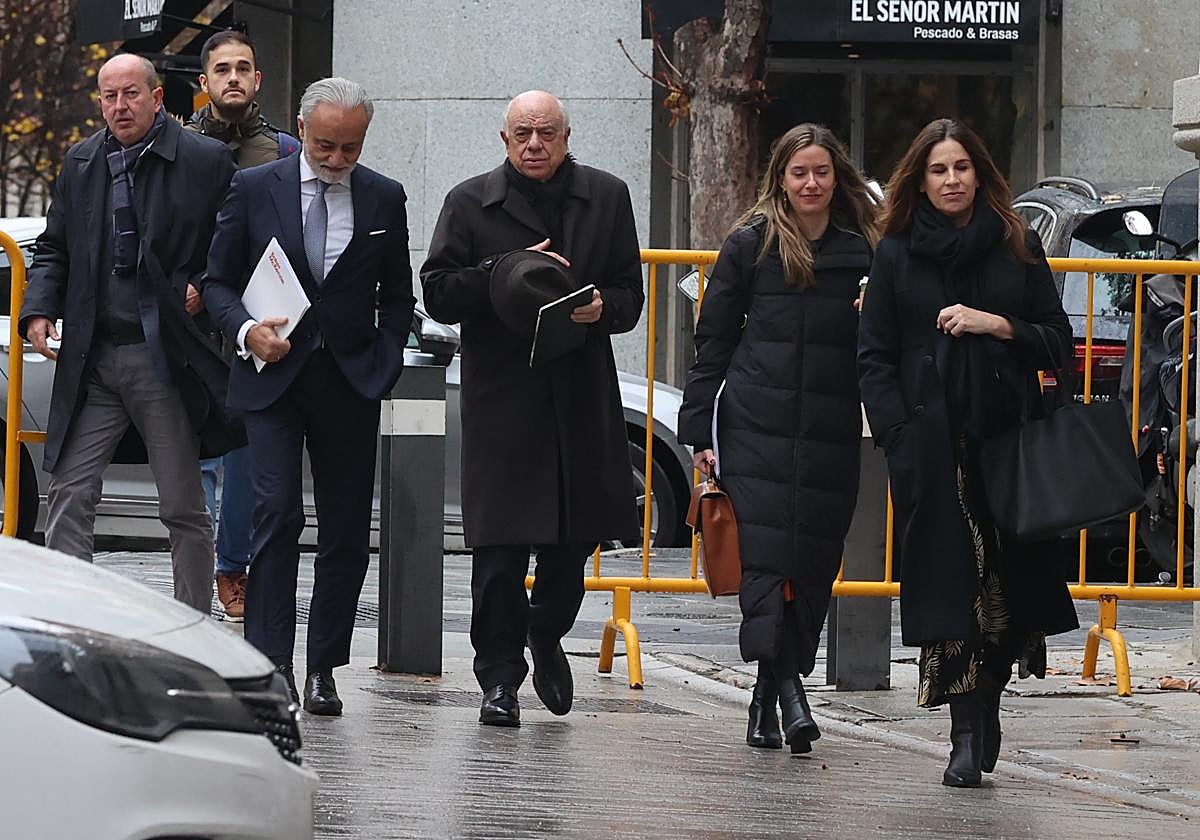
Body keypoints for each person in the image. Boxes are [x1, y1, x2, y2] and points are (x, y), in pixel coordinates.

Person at [857, 118, 1079, 788]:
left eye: (961, 168)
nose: (952, 181)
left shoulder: (1017, 244)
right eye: (938, 170)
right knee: (952, 590)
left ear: (979, 172)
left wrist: (996, 324)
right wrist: (898, 438)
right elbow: (874, 360)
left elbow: (1058, 340)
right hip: (931, 447)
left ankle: (989, 698)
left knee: (1010, 589)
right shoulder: (895, 252)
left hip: (1007, 441)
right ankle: (962, 730)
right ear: (919, 181)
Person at [421, 90, 644, 727]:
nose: (535, 144)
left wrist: (605, 307)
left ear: (568, 135)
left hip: (579, 392)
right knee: (499, 551)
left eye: (546, 132)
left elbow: (632, 292)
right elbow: (437, 292)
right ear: (504, 138)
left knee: (571, 547)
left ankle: (544, 634)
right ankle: (498, 679)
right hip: (502, 396)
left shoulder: (606, 196)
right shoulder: (469, 202)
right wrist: (502, 270)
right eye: (523, 133)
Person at [202, 77, 415, 714]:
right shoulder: (251, 187)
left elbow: (399, 295)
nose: (336, 160)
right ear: (301, 129)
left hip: (350, 382)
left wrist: (386, 359)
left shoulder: (384, 197)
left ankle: (323, 666)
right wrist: (245, 331)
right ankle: (272, 668)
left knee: (347, 528)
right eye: (325, 145)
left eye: (350, 148)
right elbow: (216, 282)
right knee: (276, 515)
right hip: (271, 379)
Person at [677, 124, 878, 755]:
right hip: (754, 427)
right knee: (766, 566)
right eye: (799, 173)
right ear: (781, 179)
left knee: (812, 565)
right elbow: (711, 344)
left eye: (821, 172)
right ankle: (791, 693)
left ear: (836, 176)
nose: (811, 184)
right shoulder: (752, 244)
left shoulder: (863, 250)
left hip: (828, 432)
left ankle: (768, 692)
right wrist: (698, 433)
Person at [20, 54, 239, 614]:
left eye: (131, 94)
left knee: (182, 506)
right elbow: (54, 248)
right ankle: (74, 622)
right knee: (70, 493)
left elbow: (236, 244)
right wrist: (38, 309)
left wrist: (206, 287)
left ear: (157, 96)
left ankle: (192, 625)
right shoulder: (83, 161)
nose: (120, 106)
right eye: (109, 96)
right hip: (94, 357)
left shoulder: (204, 160)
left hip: (164, 356)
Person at [185, 28, 299, 622]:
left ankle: (234, 568)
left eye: (244, 68)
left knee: (245, 458)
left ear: (257, 79)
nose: (234, 77)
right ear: (204, 84)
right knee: (195, 458)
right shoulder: (175, 146)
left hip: (255, 323)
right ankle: (200, 571)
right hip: (189, 324)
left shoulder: (283, 152)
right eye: (222, 69)